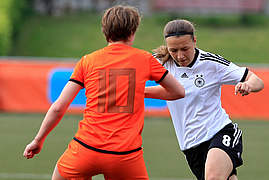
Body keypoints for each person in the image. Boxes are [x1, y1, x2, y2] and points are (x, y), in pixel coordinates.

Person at [23, 6, 185, 180]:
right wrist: (136, 91)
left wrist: (38, 140)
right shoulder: (144, 59)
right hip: (126, 155)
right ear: (133, 31)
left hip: (86, 149)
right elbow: (178, 91)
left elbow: (58, 108)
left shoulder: (87, 61)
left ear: (104, 31)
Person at [145, 19, 264, 180]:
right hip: (190, 146)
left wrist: (248, 85)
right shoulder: (159, 62)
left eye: (185, 49)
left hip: (219, 131)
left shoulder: (211, 63)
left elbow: (257, 80)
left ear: (194, 41)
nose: (180, 56)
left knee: (213, 178)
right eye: (174, 50)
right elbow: (129, 76)